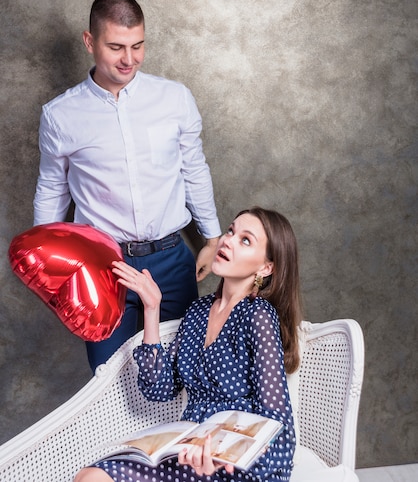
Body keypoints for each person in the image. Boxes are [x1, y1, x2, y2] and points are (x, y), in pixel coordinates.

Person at [33, 0, 221, 371]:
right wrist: (47, 267)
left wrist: (213, 238)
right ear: (90, 42)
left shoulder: (174, 98)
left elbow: (194, 168)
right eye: (116, 47)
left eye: (138, 46)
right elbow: (52, 188)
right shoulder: (60, 115)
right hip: (102, 265)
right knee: (108, 379)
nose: (129, 59)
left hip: (172, 259)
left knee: (184, 372)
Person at [74, 206, 303, 482]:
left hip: (238, 463)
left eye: (245, 240)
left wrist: (225, 457)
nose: (227, 240)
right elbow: (159, 389)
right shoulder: (198, 311)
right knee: (91, 476)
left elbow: (278, 423)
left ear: (266, 267)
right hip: (187, 449)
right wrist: (152, 308)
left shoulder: (258, 315)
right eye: (230, 231)